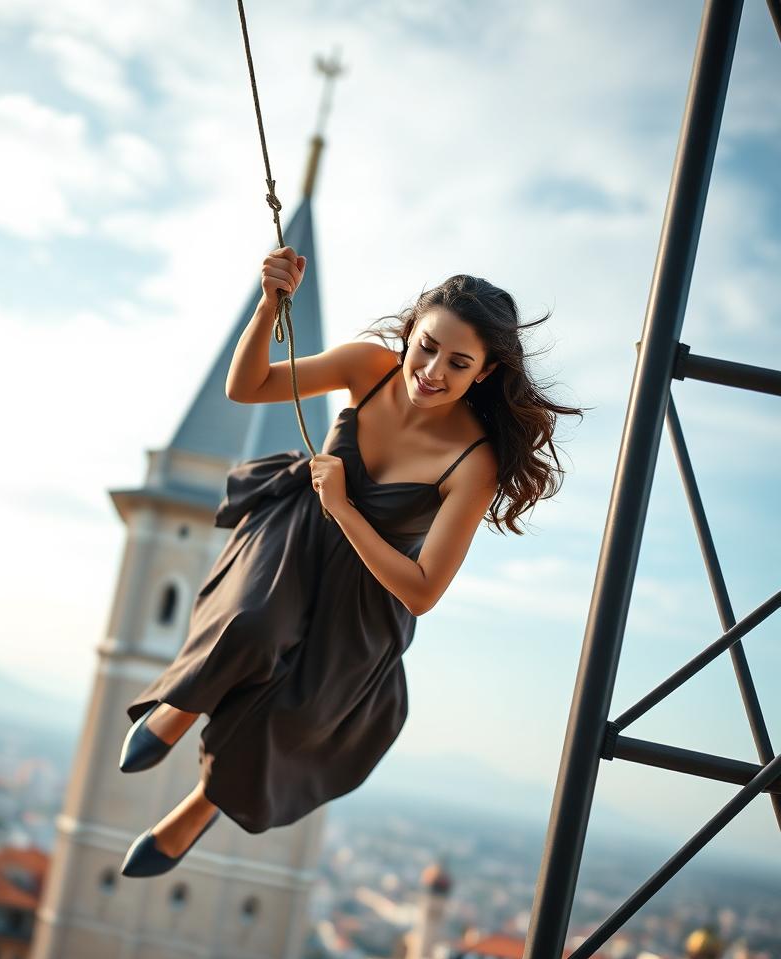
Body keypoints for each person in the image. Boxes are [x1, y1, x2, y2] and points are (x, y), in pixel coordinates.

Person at [118, 247, 582, 877]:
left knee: (296, 713)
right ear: (411, 331)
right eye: (426, 347)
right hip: (298, 531)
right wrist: (269, 304)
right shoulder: (370, 367)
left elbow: (421, 591)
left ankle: (201, 806)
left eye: (459, 362)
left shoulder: (474, 463)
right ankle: (182, 703)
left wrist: (344, 506)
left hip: (370, 589)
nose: (432, 371)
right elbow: (247, 386)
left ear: (487, 371)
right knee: (254, 625)